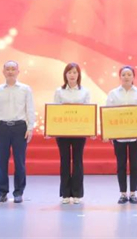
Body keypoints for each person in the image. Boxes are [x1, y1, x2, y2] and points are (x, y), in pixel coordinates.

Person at [0, 60, 35, 203]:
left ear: (18, 72)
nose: (10, 71)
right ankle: (2, 192)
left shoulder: (25, 89)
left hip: (20, 127)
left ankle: (18, 192)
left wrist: (30, 127)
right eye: (8, 69)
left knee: (20, 162)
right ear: (3, 72)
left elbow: (30, 109)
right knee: (1, 162)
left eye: (13, 69)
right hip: (2, 127)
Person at [105, 65, 137, 204]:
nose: (126, 77)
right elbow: (108, 113)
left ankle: (133, 193)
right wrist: (108, 133)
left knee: (135, 164)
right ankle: (123, 193)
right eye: (124, 74)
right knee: (121, 165)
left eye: (129, 74)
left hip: (136, 136)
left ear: (133, 77)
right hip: (119, 136)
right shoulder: (113, 93)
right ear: (120, 77)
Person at [53, 63, 91, 205]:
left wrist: (90, 130)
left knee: (77, 161)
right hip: (62, 132)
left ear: (78, 74)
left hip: (79, 132)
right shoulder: (59, 91)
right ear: (65, 75)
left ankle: (77, 193)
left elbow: (88, 112)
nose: (72, 75)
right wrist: (52, 129)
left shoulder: (85, 91)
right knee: (64, 161)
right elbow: (55, 111)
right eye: (69, 72)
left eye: (75, 72)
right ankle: (65, 193)